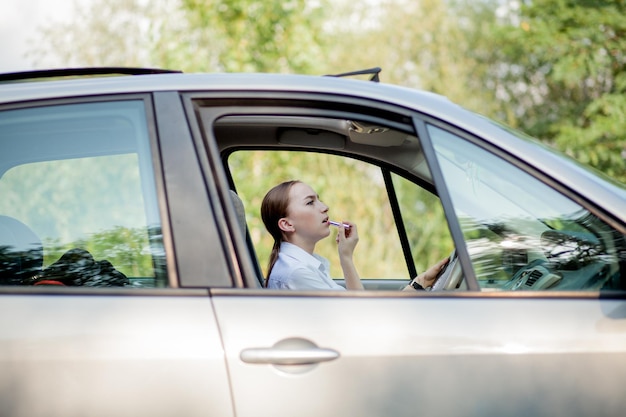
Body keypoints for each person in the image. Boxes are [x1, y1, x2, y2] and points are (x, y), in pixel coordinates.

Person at [261, 180, 449, 291]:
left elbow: (355, 307)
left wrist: (421, 283)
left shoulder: (302, 266)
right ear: (286, 224)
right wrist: (346, 258)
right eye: (310, 203)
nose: (324, 207)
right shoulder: (297, 273)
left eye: (319, 199)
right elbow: (360, 315)